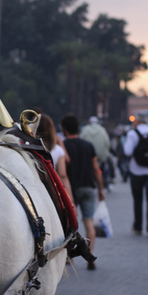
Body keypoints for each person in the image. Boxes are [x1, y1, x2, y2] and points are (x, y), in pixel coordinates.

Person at [61, 113, 105, 270]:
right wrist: (101, 188)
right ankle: (90, 255)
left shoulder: (62, 146)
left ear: (64, 129)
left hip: (70, 190)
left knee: (70, 224)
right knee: (89, 222)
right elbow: (95, 169)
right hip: (88, 187)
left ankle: (68, 257)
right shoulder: (88, 145)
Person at [123, 116, 148, 238]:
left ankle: (138, 226)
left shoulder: (132, 133)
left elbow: (127, 152)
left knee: (138, 200)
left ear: (137, 122)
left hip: (136, 171)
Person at [36, 114, 73, 199]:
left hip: (35, 190)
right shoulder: (58, 150)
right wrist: (70, 199)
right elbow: (63, 175)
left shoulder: (29, 149)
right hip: (52, 191)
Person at [80, 116, 111, 187]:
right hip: (101, 155)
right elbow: (107, 143)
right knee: (107, 165)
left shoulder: (85, 130)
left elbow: (81, 141)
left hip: (88, 155)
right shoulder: (102, 130)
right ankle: (108, 179)